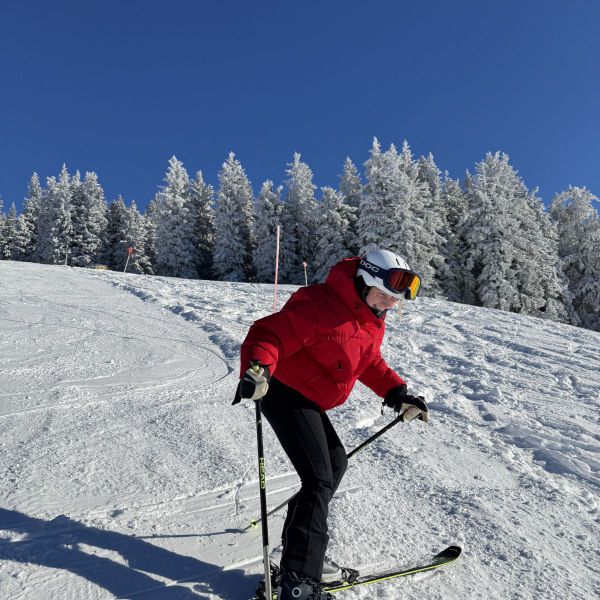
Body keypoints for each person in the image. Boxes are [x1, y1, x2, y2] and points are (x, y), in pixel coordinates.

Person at [234, 249, 429, 600]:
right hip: (281, 390)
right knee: (319, 477)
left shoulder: (370, 319)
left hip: (309, 399)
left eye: (393, 301)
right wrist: (258, 367)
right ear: (364, 280)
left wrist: (397, 392)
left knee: (334, 464)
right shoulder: (320, 305)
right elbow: (270, 334)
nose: (386, 305)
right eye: (383, 296)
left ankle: (301, 557)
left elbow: (368, 362)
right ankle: (299, 582)